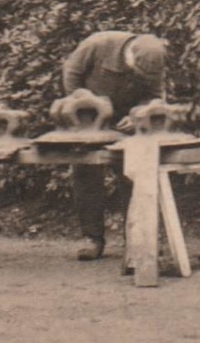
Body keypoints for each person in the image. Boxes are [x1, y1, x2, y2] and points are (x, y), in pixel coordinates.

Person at [61, 31, 168, 260]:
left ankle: (136, 239)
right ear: (130, 55)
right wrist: (86, 101)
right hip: (89, 118)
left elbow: (155, 96)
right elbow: (71, 75)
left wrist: (138, 115)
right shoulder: (97, 44)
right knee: (87, 175)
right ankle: (92, 239)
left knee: (132, 176)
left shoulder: (153, 60)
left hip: (125, 124)